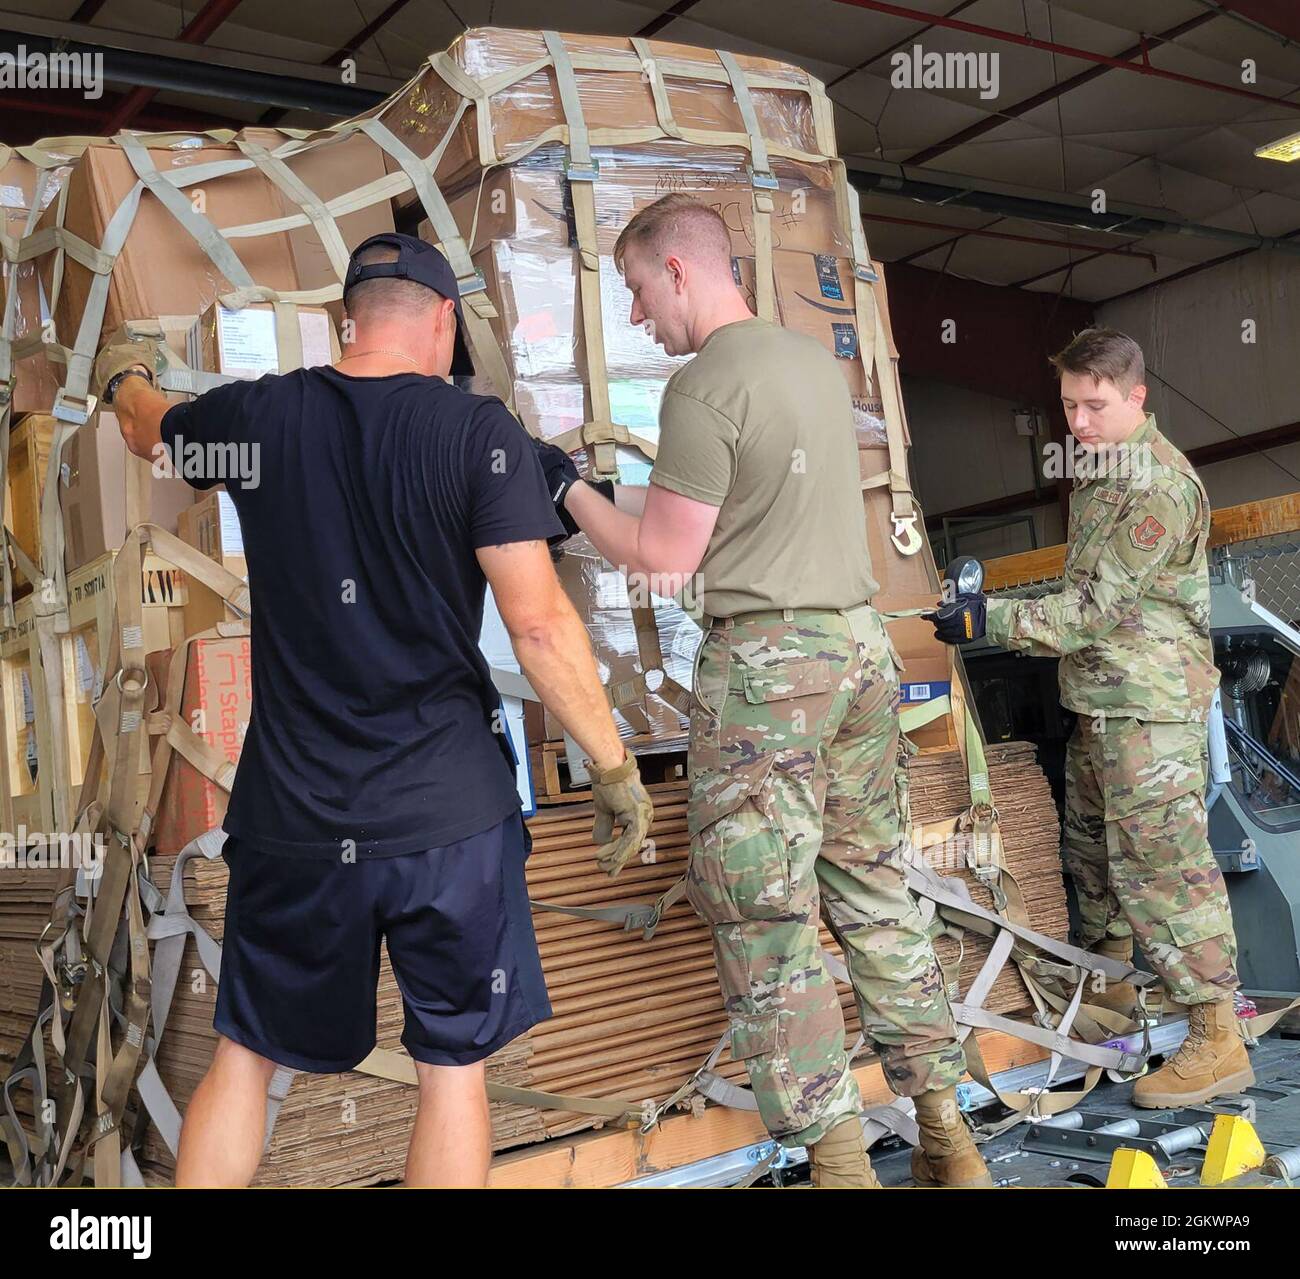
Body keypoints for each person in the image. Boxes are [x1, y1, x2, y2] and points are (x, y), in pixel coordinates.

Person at [92, 232, 653, 1187]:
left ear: (349, 320)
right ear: (440, 323)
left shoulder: (260, 419)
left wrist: (124, 379)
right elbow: (543, 627)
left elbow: (149, 427)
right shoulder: (479, 436)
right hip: (450, 819)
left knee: (248, 1050)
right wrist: (612, 768)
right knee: (452, 1069)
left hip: (296, 815)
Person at [535, 194, 990, 1188]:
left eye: (638, 289)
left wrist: (561, 493)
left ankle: (839, 1168)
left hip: (767, 674)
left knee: (765, 916)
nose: (637, 316)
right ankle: (950, 1140)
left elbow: (661, 559)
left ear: (680, 269)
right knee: (873, 894)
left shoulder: (702, 388)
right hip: (860, 654)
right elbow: (721, 507)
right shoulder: (808, 368)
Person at [932, 326, 1251, 1109]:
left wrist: (988, 624)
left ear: (1136, 398)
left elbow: (1090, 611)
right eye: (1069, 404)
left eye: (1094, 404)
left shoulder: (1157, 487)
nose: (1078, 421)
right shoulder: (1100, 474)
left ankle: (1218, 1036)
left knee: (1163, 870)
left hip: (1150, 712)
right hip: (1103, 704)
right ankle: (1118, 992)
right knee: (1092, 854)